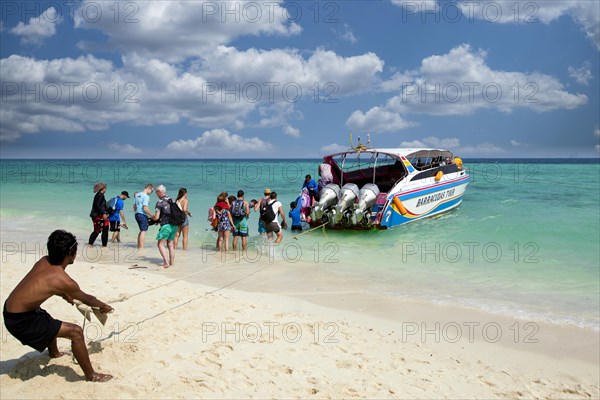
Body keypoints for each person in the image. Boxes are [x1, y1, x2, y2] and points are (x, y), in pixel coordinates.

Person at [3, 230, 113, 382]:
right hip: (21, 322)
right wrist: (104, 306)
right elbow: (87, 299)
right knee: (76, 332)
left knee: (48, 320)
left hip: (11, 310)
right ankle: (91, 375)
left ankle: (54, 353)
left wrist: (65, 294)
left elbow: (43, 284)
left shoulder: (44, 260)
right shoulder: (65, 281)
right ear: (70, 254)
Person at [149, 185, 175, 268]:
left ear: (159, 192)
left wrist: (151, 217)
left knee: (160, 244)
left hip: (166, 225)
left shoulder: (159, 202)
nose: (156, 194)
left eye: (157, 192)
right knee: (170, 244)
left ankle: (166, 262)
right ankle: (172, 263)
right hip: (174, 225)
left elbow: (156, 217)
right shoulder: (172, 200)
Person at [88, 182, 109, 248]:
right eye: (106, 188)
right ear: (103, 188)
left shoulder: (99, 195)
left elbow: (100, 205)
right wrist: (103, 213)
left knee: (102, 229)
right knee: (99, 230)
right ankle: (91, 244)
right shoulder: (100, 195)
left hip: (97, 215)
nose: (106, 189)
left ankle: (102, 245)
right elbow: (98, 205)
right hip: (97, 215)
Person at [133, 184, 154, 249]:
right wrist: (152, 215)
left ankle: (139, 246)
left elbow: (134, 206)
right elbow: (145, 208)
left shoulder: (137, 195)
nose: (151, 193)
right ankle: (141, 247)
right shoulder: (146, 196)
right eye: (152, 191)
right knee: (143, 231)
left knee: (141, 230)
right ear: (149, 188)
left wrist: (137, 211)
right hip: (142, 214)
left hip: (137, 214)